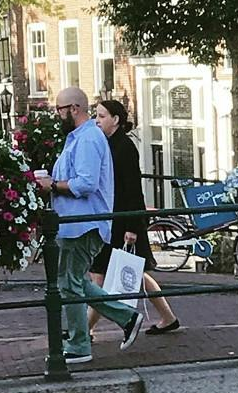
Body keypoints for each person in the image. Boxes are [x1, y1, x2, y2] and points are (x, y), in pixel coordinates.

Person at [32, 87, 139, 362]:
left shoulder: (88, 139)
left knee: (68, 284)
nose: (57, 115)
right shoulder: (79, 138)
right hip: (76, 224)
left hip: (83, 225)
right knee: (75, 280)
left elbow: (86, 183)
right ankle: (127, 318)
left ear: (74, 108)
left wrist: (52, 186)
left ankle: (79, 346)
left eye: (59, 109)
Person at [89, 99, 179, 336]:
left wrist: (132, 225)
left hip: (122, 221)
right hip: (116, 219)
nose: (96, 121)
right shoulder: (109, 145)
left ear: (115, 120)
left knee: (99, 275)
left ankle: (84, 330)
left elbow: (132, 188)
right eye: (96, 116)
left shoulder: (124, 148)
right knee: (136, 272)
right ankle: (168, 317)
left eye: (101, 116)